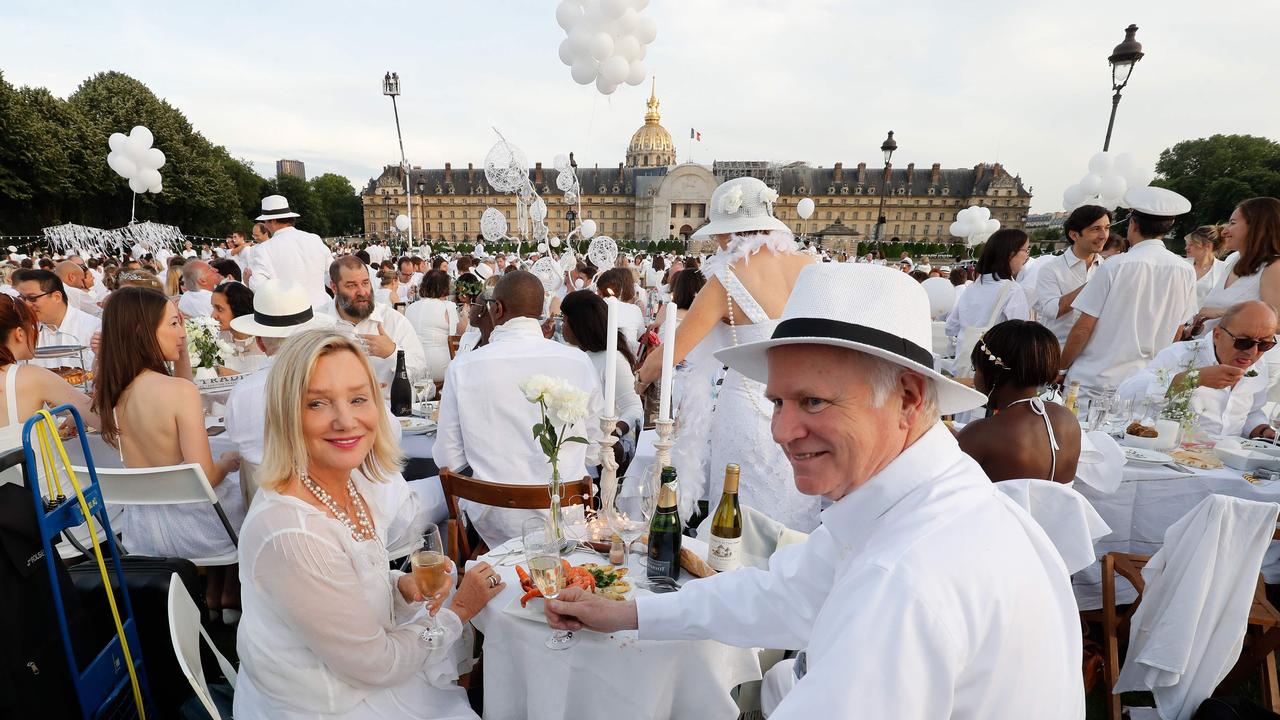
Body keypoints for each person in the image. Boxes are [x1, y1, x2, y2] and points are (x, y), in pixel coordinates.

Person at [544, 263, 1084, 719]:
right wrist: (629, 612)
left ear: (909, 398)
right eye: (778, 402)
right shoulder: (923, 504)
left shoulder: (902, 577)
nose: (780, 431)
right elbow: (784, 594)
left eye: (814, 402)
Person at [233, 329, 502, 719]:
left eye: (358, 399)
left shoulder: (350, 479)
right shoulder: (292, 532)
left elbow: (346, 587)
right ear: (286, 412)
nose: (346, 421)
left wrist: (402, 587)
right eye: (317, 404)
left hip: (356, 675)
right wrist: (460, 610)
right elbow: (377, 664)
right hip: (329, 704)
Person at [636, 177, 820, 532]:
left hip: (747, 411)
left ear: (731, 231)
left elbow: (674, 350)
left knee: (740, 518)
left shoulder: (727, 279)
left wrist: (638, 380)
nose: (717, 241)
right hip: (806, 409)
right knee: (796, 509)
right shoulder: (810, 265)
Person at [91, 286, 243, 615]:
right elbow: (205, 478)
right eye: (173, 324)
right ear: (141, 332)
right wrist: (230, 461)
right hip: (199, 530)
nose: (182, 332)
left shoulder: (112, 394)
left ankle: (217, 595)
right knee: (247, 488)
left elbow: (180, 389)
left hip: (141, 532)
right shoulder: (177, 392)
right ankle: (230, 591)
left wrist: (182, 353)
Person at [435, 271, 604, 547]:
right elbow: (596, 448)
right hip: (565, 517)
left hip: (493, 522)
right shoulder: (578, 361)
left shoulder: (463, 367)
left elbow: (448, 458)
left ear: (497, 309)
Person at [1061, 187, 1198, 397]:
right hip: (1144, 384)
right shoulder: (1186, 270)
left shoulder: (1115, 266)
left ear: (1133, 224)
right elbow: (1177, 332)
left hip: (1095, 380)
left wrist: (1061, 368)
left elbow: (1083, 328)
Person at [1118, 300, 1276, 439]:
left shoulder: (1259, 367)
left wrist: (1261, 429)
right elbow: (1126, 392)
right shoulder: (1181, 354)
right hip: (1173, 454)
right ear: (1217, 335)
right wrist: (1191, 379)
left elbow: (1251, 412)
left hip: (1227, 461)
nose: (1253, 352)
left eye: (1265, 344)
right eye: (1243, 342)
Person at [957, 320, 1081, 483]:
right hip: (1060, 509)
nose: (975, 379)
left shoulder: (981, 433)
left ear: (992, 373)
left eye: (975, 369)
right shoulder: (1067, 419)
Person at [0, 295, 99, 473]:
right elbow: (101, 419)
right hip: (44, 496)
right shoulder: (30, 376)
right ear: (19, 333)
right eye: (33, 326)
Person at [316, 255, 428, 390]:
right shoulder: (318, 323)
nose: (362, 292)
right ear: (334, 288)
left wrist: (392, 353)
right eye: (351, 285)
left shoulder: (393, 321)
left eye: (365, 283)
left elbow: (421, 374)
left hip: (386, 408)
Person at [560, 290, 642, 466]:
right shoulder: (574, 353)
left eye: (565, 320)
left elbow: (634, 408)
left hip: (601, 451)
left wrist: (613, 433)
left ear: (580, 325)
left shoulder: (612, 358)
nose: (562, 326)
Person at [1034, 205, 1110, 346]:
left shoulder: (1108, 268)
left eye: (1107, 228)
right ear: (1074, 235)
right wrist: (1093, 285)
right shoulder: (1050, 269)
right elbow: (1052, 311)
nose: (1103, 235)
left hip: (1095, 354)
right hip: (1057, 351)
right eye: (1096, 229)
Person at [1195, 197, 1280, 322]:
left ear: (1257, 227)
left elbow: (1275, 324)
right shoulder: (1233, 258)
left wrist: (1221, 313)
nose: (1224, 231)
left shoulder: (1274, 268)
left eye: (1233, 223)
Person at [944, 229, 1031, 344]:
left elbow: (950, 328)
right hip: (992, 359)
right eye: (1026, 250)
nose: (1027, 256)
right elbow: (1021, 337)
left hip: (963, 359)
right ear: (1011, 253)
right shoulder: (1012, 290)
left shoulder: (972, 287)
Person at [247, 195, 335, 306]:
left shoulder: (264, 249)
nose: (265, 225)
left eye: (265, 221)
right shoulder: (314, 239)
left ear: (273, 220)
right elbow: (333, 276)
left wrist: (248, 280)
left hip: (290, 316)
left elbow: (259, 287)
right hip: (323, 311)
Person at [12, 268, 102, 371]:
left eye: (32, 298)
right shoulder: (24, 332)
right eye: (22, 298)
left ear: (57, 297)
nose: (26, 304)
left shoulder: (94, 327)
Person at [404, 269, 458, 382]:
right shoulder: (448, 307)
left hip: (413, 365)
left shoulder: (411, 307)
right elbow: (457, 335)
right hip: (439, 366)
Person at [211, 281, 267, 374]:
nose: (213, 315)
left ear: (237, 308)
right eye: (213, 308)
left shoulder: (266, 340)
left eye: (219, 309)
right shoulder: (215, 340)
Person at [595, 267, 645, 356]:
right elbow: (640, 337)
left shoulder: (595, 308)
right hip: (629, 358)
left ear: (598, 291)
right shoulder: (635, 309)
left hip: (603, 357)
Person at [1184, 225, 1228, 310]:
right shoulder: (1182, 266)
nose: (1186, 248)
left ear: (1208, 246)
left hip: (1204, 322)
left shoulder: (1224, 269)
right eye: (1187, 244)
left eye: (1191, 244)